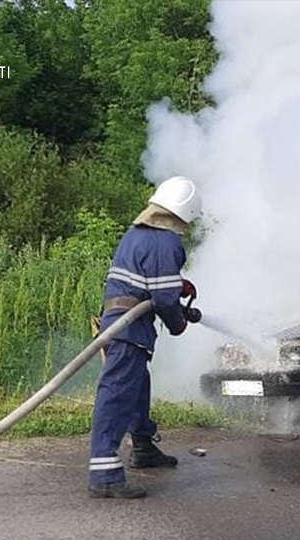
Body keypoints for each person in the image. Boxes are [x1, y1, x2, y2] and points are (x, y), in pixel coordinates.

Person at [88, 176, 203, 499]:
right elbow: (164, 300)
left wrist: (178, 285)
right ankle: (104, 475)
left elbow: (147, 280)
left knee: (136, 388)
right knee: (117, 394)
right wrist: (179, 321)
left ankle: (143, 447)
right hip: (128, 328)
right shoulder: (167, 242)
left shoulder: (136, 235)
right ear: (185, 213)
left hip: (119, 323)